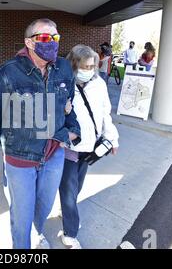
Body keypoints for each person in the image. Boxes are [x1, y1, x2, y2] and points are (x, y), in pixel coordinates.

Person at [0, 18, 80, 249]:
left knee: (44, 206)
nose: (52, 42)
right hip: (20, 156)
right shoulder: (8, 72)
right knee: (21, 216)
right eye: (45, 38)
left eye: (55, 37)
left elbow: (70, 106)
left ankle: (37, 233)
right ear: (29, 42)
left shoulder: (63, 68)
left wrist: (72, 132)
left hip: (54, 154)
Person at [59, 44, 119, 249]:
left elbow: (105, 114)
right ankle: (70, 232)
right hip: (67, 146)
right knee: (68, 190)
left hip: (89, 146)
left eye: (92, 66)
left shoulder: (99, 84)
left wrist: (112, 138)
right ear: (74, 65)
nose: (89, 70)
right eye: (85, 66)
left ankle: (68, 212)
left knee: (76, 187)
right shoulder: (63, 83)